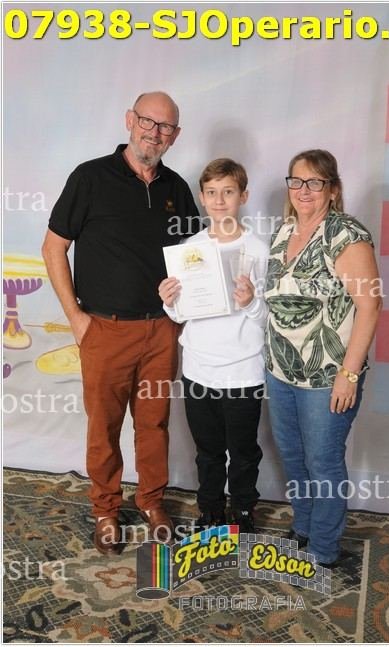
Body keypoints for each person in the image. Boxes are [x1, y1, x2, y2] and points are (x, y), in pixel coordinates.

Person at [41, 91, 201, 553]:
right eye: (148, 121)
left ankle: (152, 502)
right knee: (104, 426)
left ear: (175, 136)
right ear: (130, 120)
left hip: (161, 330)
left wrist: (184, 316)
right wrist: (76, 318)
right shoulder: (90, 177)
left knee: (154, 425)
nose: (155, 132)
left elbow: (194, 258)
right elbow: (53, 248)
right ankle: (105, 510)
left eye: (165, 126)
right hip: (104, 329)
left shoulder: (176, 188)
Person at [265, 149, 382, 567]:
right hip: (280, 371)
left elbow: (370, 305)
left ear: (333, 190)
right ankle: (304, 527)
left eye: (315, 182)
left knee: (322, 462)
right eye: (296, 181)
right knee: (293, 456)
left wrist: (349, 374)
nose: (304, 190)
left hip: (327, 376)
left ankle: (323, 549)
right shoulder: (283, 232)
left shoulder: (346, 235)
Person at [159, 159, 268, 533]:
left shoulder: (259, 250)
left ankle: (243, 511)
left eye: (228, 192)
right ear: (202, 198)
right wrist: (169, 301)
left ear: (243, 196)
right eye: (212, 192)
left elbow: (269, 318)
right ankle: (210, 511)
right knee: (207, 452)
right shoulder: (190, 248)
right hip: (198, 369)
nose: (219, 200)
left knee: (243, 451)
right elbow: (180, 314)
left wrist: (251, 301)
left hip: (243, 370)